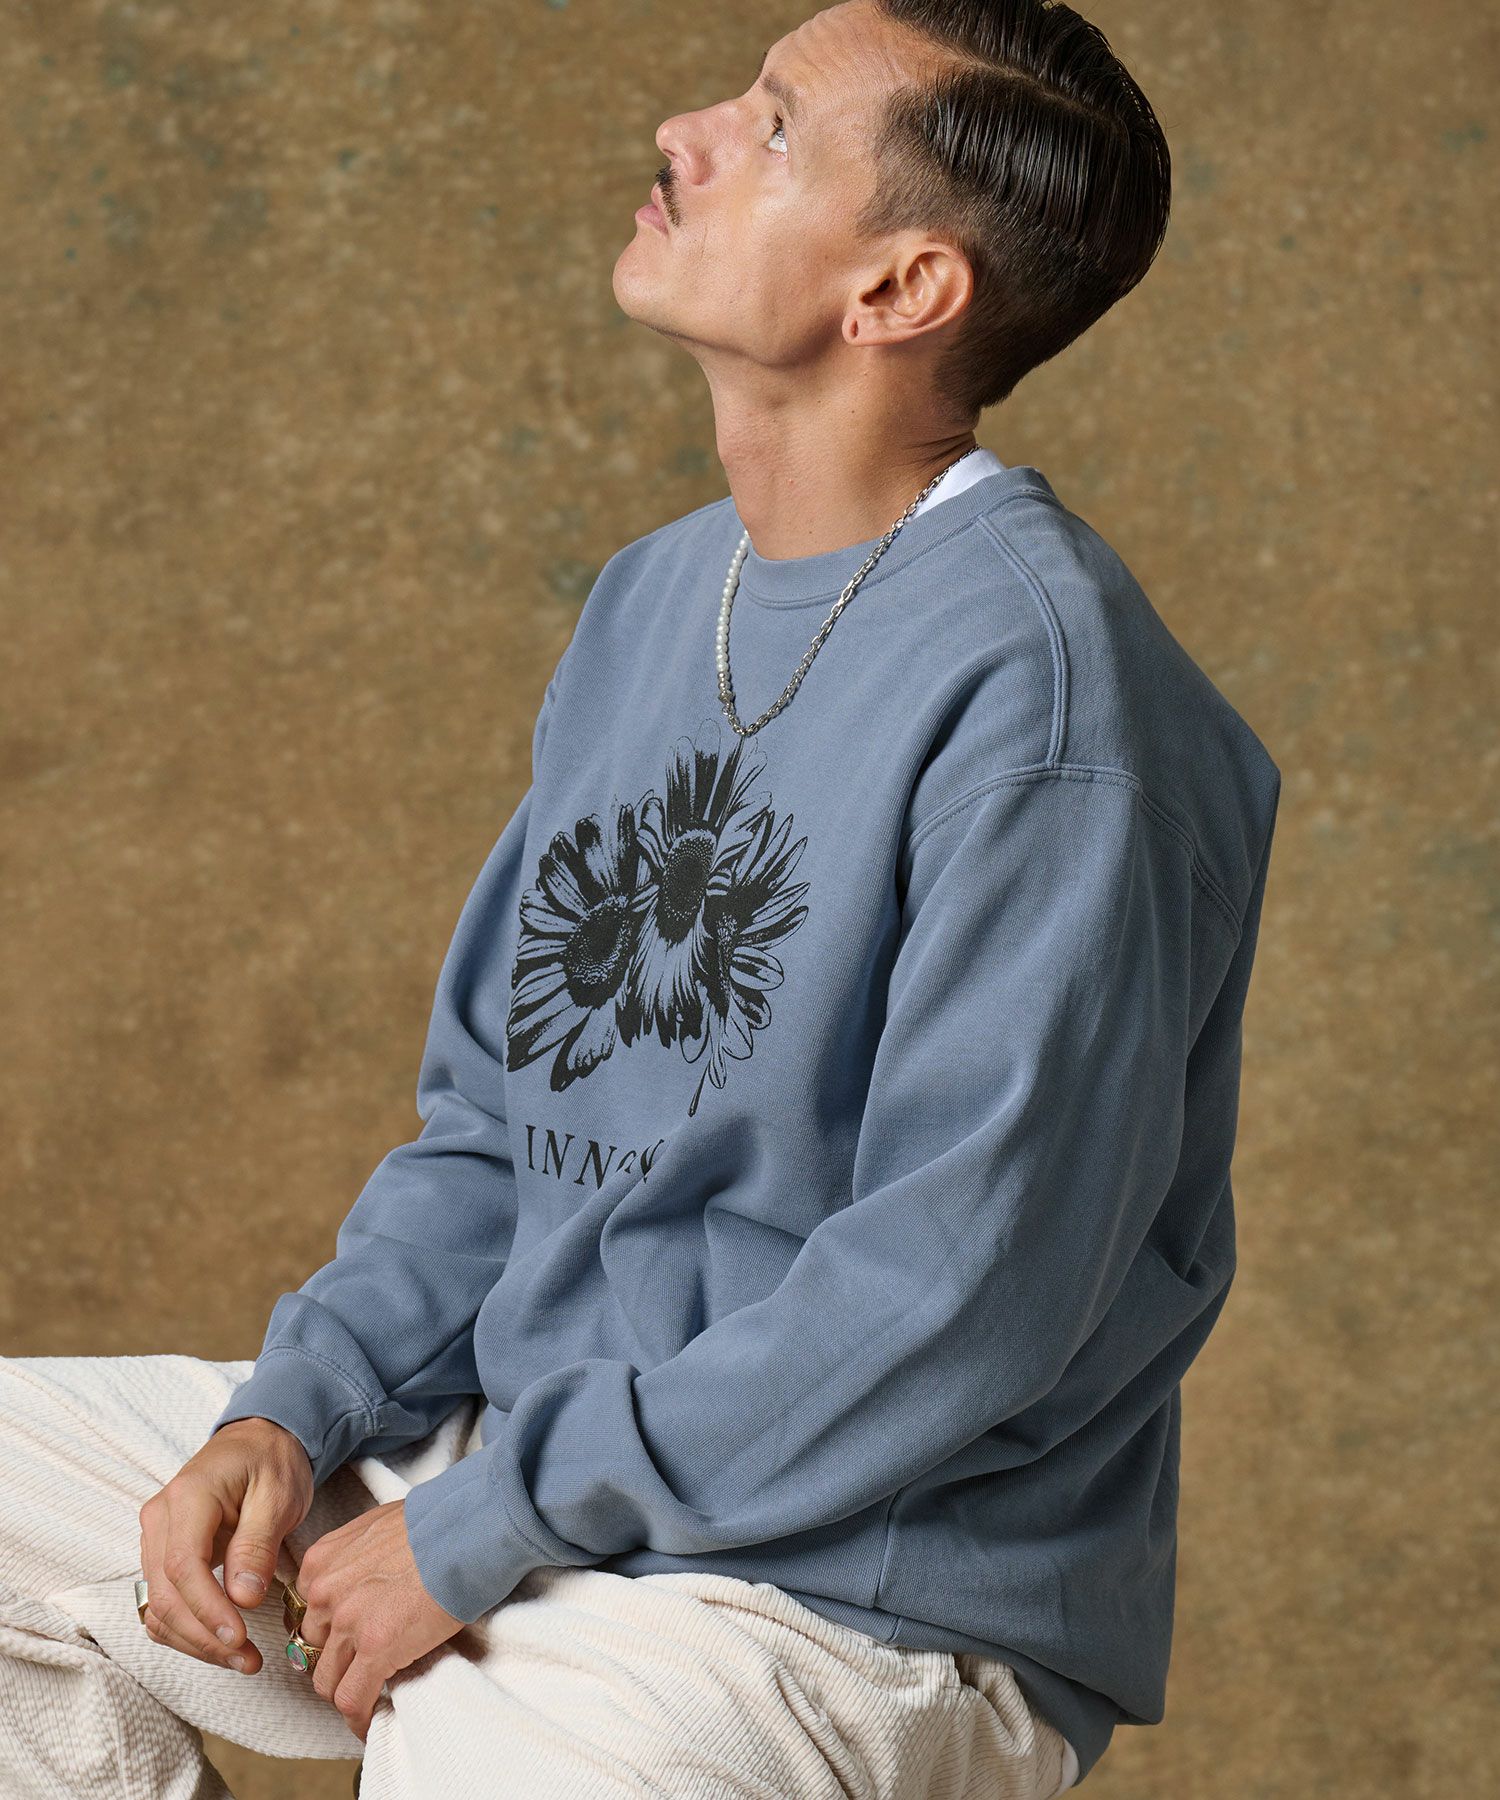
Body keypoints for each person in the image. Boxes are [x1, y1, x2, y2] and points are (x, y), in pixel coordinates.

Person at [0, 2, 1281, 1794]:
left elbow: (957, 1293)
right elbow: (496, 1130)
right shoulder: (657, 602)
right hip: (534, 1466)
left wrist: (493, 1523)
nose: (685, 131)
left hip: (844, 1593)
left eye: (773, 128)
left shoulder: (1058, 709)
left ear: (902, 289)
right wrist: (298, 1407)